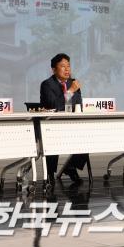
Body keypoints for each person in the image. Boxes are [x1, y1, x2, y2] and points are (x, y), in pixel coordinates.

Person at [40, 53, 88, 184]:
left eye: (68, 66)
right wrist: (70, 91)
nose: (67, 69)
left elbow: (79, 106)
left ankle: (71, 166)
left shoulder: (73, 83)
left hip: (72, 125)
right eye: (63, 66)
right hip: (52, 126)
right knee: (51, 138)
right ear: (54, 69)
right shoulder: (47, 85)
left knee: (87, 137)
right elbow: (54, 106)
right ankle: (49, 173)